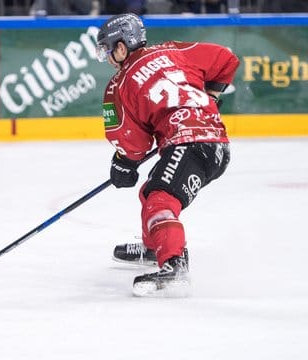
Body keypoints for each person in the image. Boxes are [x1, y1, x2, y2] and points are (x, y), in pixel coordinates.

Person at [94, 13, 239, 296]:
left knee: (160, 200)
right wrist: (208, 98)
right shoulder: (174, 50)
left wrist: (123, 164)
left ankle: (174, 264)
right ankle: (155, 246)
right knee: (151, 191)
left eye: (108, 49)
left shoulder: (118, 85)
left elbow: (132, 143)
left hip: (191, 144)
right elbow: (226, 59)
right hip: (216, 143)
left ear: (122, 47)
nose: (108, 58)